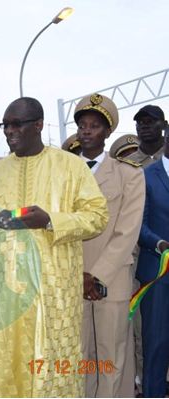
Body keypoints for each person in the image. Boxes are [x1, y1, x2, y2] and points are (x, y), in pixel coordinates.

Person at [0, 97, 109, 397]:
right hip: (8, 293)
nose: (9, 131)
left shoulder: (70, 167)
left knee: (52, 367)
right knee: (6, 367)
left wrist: (50, 221)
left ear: (38, 125)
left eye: (16, 124)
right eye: (6, 125)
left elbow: (97, 216)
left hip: (54, 291)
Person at [75, 94, 144, 397]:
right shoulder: (65, 173)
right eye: (82, 125)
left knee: (110, 357)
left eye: (95, 126)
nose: (87, 131)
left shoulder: (129, 174)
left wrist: (96, 275)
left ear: (107, 132)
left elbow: (127, 231)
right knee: (80, 358)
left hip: (111, 278)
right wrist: (78, 274)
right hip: (72, 278)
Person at [136, 126, 169, 397]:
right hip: (158, 273)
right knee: (156, 344)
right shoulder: (145, 176)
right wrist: (159, 243)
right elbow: (139, 225)